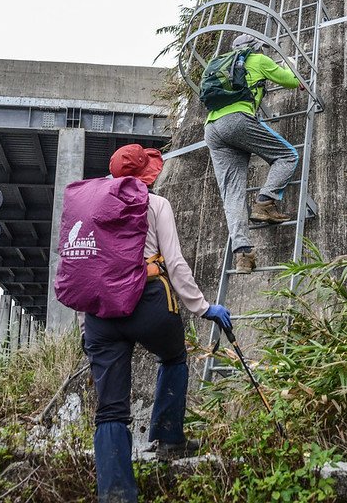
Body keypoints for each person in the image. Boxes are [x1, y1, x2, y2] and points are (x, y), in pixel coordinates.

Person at [83, 143, 231, 503]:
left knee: (111, 408)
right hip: (148, 301)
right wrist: (203, 307)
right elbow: (176, 263)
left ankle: (116, 495)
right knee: (173, 357)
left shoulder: (90, 206)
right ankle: (168, 439)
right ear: (146, 174)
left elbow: (82, 262)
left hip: (101, 311)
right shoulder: (155, 204)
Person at [204, 34, 304, 274]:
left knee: (232, 194)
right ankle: (264, 202)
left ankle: (243, 255)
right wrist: (295, 68)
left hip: (212, 129)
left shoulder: (216, 66)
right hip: (238, 120)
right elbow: (292, 81)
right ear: (256, 48)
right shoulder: (258, 59)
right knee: (287, 156)